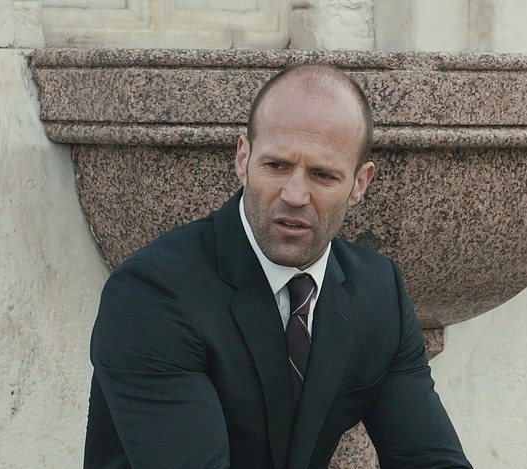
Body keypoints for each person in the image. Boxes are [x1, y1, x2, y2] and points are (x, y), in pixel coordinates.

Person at [84, 64, 472, 469]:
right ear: (243, 158)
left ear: (360, 184)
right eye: (277, 166)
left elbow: (431, 459)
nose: (294, 194)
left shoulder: (379, 292)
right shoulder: (152, 294)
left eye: (322, 175)